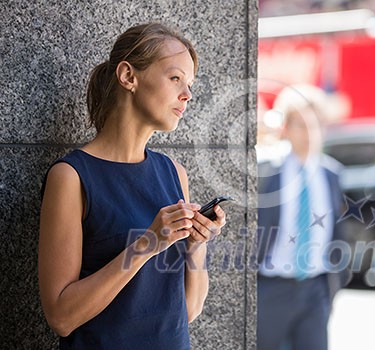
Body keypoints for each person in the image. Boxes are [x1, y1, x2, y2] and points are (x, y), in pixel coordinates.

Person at [38, 23, 226, 349]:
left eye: (190, 83)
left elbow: (189, 310)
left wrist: (197, 244)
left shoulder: (174, 173)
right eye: (175, 78)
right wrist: (146, 245)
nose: (187, 94)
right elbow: (61, 317)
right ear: (128, 77)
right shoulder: (71, 177)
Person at [257, 84, 351, 350]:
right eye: (301, 124)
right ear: (285, 127)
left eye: (317, 124)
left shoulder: (331, 174)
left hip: (315, 289)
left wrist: (333, 283)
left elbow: (337, 232)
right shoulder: (266, 172)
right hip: (271, 288)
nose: (310, 133)